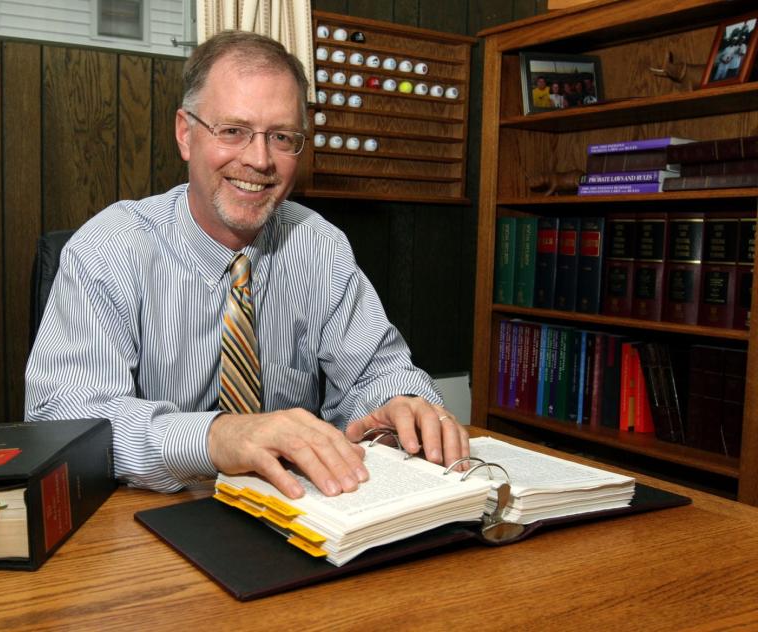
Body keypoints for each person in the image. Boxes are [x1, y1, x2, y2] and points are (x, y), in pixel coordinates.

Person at [24, 31, 469, 500]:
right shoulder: (110, 248)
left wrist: (398, 405)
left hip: (299, 513)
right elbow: (66, 421)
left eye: (281, 137)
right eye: (233, 130)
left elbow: (377, 371)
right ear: (185, 134)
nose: (259, 160)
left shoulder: (319, 245)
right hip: (150, 520)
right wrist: (217, 437)